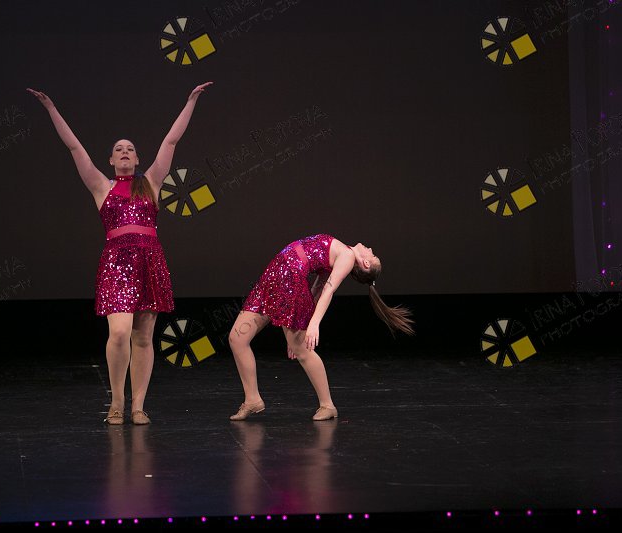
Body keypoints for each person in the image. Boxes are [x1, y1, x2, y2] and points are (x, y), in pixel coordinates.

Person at [27, 82, 213, 425]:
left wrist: (191, 101)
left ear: (137, 159)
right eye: (119, 149)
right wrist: (51, 109)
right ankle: (116, 400)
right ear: (111, 160)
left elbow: (171, 141)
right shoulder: (102, 186)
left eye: (130, 149)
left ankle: (138, 405)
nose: (125, 152)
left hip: (149, 261)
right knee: (119, 333)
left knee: (143, 338)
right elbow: (74, 147)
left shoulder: (151, 182)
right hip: (117, 264)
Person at [228, 234, 414, 421]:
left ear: (365, 263)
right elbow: (317, 288)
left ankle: (327, 405)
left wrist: (313, 324)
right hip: (275, 276)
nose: (371, 249)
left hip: (289, 279)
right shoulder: (340, 253)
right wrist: (301, 321)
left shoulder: (348, 256)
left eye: (372, 256)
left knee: (302, 350)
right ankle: (252, 399)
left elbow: (328, 290)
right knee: (237, 339)